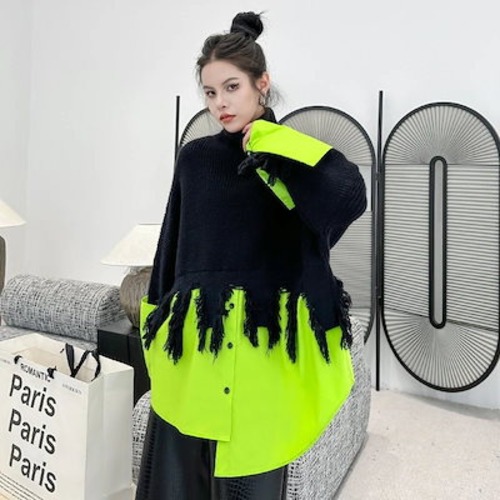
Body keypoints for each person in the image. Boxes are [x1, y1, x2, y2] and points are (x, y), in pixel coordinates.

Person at [135, 11, 367, 500]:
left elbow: (348, 198)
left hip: (266, 347)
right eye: (210, 92)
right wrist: (154, 320)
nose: (219, 103)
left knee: (253, 475)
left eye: (231, 87)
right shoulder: (195, 158)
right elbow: (171, 243)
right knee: (179, 477)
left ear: (262, 84)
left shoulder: (288, 154)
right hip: (197, 343)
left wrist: (272, 147)